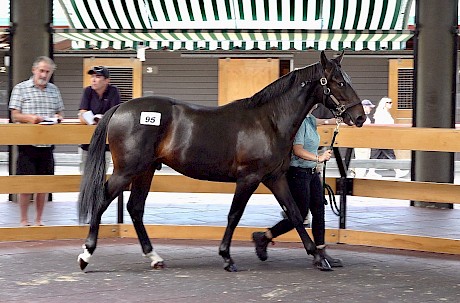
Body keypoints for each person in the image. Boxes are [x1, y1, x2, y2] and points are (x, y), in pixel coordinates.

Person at [252, 106, 343, 271]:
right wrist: (319, 157)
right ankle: (265, 237)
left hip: (312, 172)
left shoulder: (310, 119)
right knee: (298, 215)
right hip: (298, 173)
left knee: (318, 212)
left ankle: (321, 252)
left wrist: (338, 120)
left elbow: (324, 121)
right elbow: (297, 149)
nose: (316, 105)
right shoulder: (300, 123)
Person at [9, 56, 64, 226]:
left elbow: (60, 113)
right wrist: (30, 118)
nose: (44, 74)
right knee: (26, 185)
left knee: (44, 186)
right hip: (27, 144)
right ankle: (24, 220)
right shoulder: (21, 88)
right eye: (41, 70)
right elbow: (15, 114)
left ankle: (39, 220)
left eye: (47, 72)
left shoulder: (54, 90)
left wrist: (57, 118)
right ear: (34, 70)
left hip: (48, 144)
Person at [78, 66, 121, 173]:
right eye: (92, 76)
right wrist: (92, 120)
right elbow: (82, 113)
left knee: (101, 173)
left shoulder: (113, 91)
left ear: (107, 80)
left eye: (98, 76)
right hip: (88, 140)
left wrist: (101, 119)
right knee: (85, 173)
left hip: (105, 140)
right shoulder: (88, 91)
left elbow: (115, 114)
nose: (93, 79)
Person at [367, 97, 408, 178]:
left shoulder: (385, 113)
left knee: (377, 155)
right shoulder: (381, 113)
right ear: (384, 104)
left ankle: (371, 171)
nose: (391, 104)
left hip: (383, 137)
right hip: (382, 137)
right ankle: (398, 171)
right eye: (388, 102)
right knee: (389, 154)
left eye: (391, 102)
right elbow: (380, 126)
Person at [353, 99, 375, 178]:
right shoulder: (361, 117)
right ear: (364, 107)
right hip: (362, 142)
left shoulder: (361, 116)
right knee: (362, 161)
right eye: (369, 107)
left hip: (364, 142)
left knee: (362, 160)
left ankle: (358, 174)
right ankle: (359, 177)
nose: (371, 109)